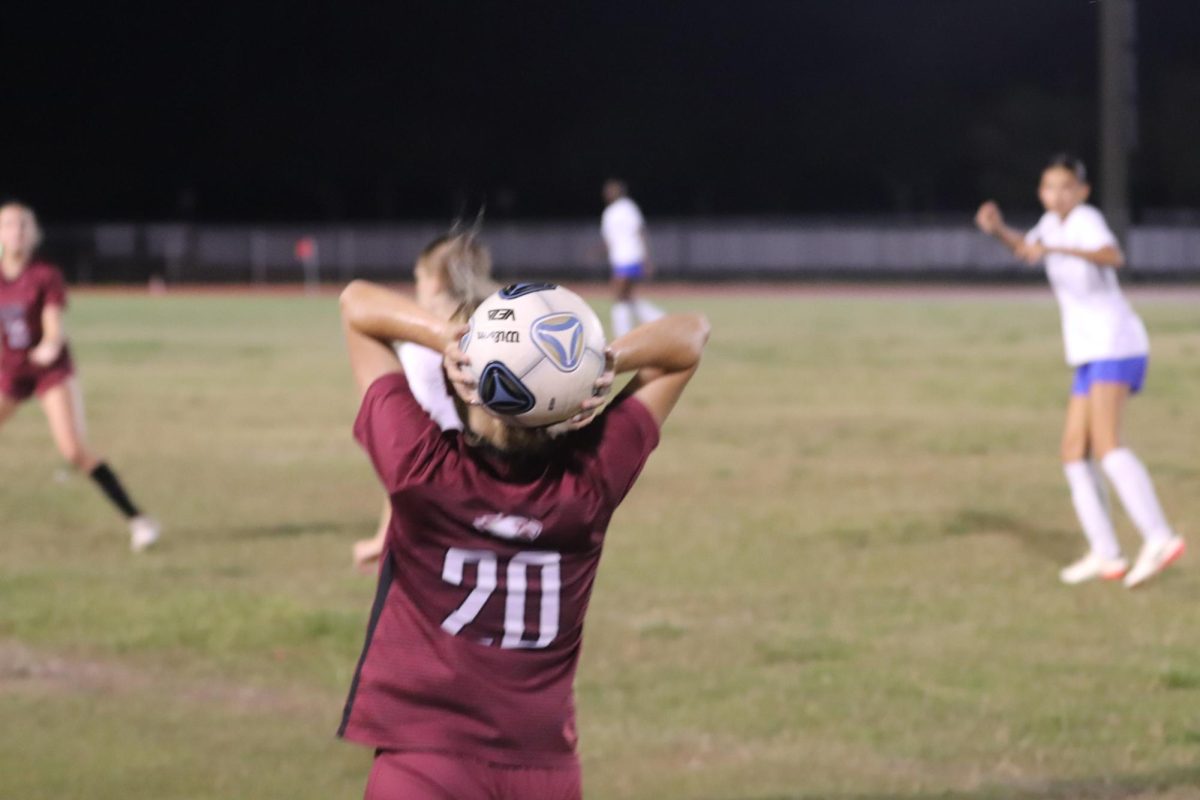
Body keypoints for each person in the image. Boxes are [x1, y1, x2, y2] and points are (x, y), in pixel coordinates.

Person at [337, 278, 708, 799]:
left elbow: (356, 304)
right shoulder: (588, 486)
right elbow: (690, 336)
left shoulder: (421, 471)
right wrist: (599, 360)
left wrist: (447, 336)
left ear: (468, 387)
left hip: (424, 765)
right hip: (544, 770)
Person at [975, 154, 1184, 588]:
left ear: (1082, 191)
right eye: (1050, 187)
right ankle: (1107, 554)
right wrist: (998, 231)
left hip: (1116, 343)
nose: (1058, 194)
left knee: (1107, 446)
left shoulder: (1085, 219)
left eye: (1067, 186)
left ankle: (1160, 537)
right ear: (1041, 192)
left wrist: (1054, 248)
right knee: (1073, 453)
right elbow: (1026, 248)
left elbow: (1112, 255)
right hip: (1089, 350)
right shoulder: (1050, 224)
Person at [0, 202, 159, 550]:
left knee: (73, 450)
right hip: (11, 372)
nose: (17, 232)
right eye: (10, 225)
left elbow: (53, 328)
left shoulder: (44, 275)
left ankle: (139, 521)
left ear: (34, 234)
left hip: (48, 371)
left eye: (24, 226)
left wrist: (49, 345)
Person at [351, 229, 496, 571]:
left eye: (418, 278)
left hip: (443, 503)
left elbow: (407, 453)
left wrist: (383, 536)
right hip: (499, 492)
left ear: (432, 282)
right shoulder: (495, 339)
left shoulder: (419, 352)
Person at [600, 179, 664, 337]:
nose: (608, 193)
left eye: (611, 190)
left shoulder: (628, 208)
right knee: (627, 296)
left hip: (628, 257)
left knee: (619, 296)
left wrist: (646, 258)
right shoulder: (610, 212)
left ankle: (623, 333)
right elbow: (610, 240)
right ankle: (658, 320)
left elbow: (640, 232)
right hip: (620, 258)